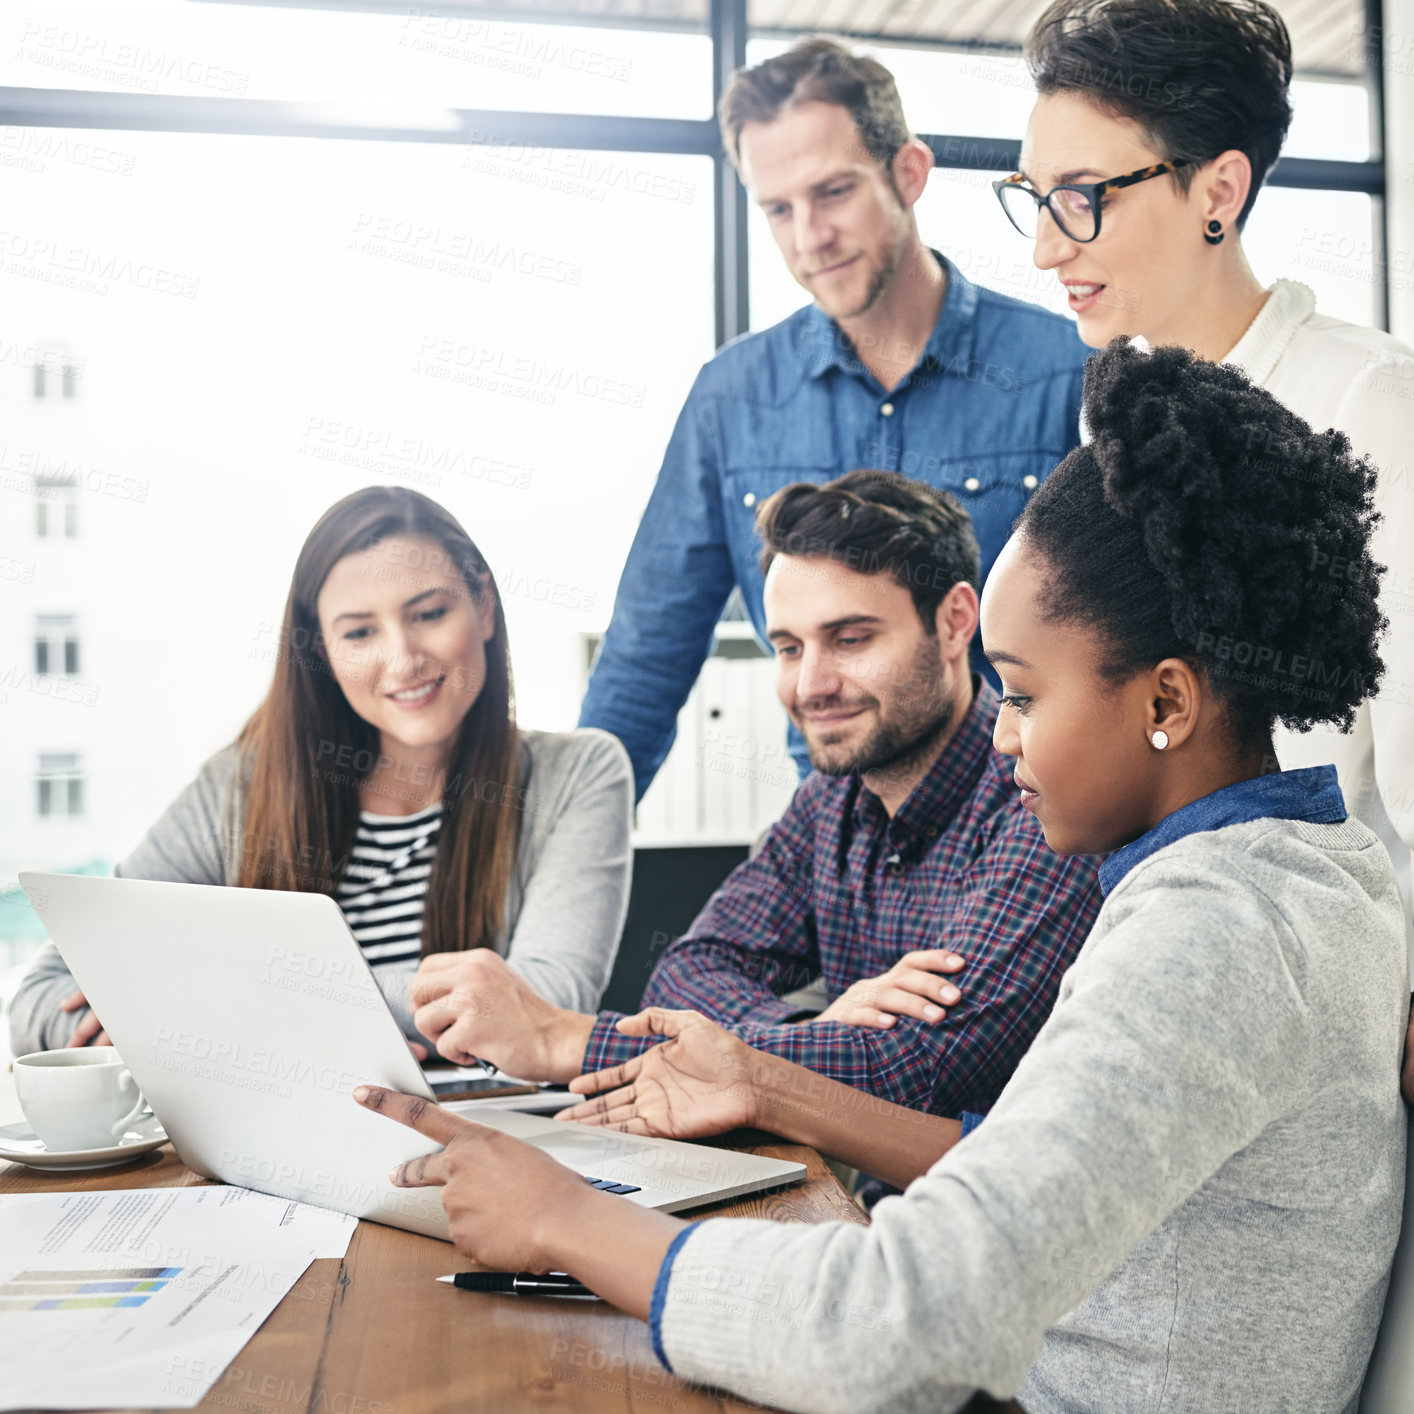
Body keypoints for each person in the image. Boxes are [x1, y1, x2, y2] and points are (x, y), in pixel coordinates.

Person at [356, 340, 1406, 1413]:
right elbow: (1014, 1162)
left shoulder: (1210, 935)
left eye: (1028, 697)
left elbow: (898, 1324)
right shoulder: (1295, 879)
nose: (1004, 738)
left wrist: (562, 1220)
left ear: (1167, 704)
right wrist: (765, 1080)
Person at [399, 472, 1101, 1127]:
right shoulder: (831, 801)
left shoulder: (1038, 796)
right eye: (789, 648)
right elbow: (686, 972)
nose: (811, 684)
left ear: (954, 623)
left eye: (850, 639)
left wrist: (566, 1039)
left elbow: (918, 1067)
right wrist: (813, 1034)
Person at [994, 0, 1414, 954]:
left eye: (1083, 195)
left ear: (1217, 191)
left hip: (1334, 974)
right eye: (1035, 195)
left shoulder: (1372, 401)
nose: (1047, 246)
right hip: (1171, 940)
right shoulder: (1115, 414)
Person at [579, 36, 1091, 795]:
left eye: (833, 193)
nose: (808, 238)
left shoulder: (1063, 372)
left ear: (909, 174)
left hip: (1029, 830)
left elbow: (1119, 645)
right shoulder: (731, 399)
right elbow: (645, 663)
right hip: (833, 844)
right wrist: (545, 867)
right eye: (778, 209)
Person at [8, 486, 633, 1058]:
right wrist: (331, 1019)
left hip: (492, 1141)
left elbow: (547, 1003)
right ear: (324, 654)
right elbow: (41, 998)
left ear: (485, 608)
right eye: (360, 632)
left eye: (429, 614)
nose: (403, 658)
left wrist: (213, 1007)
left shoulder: (579, 774)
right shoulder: (237, 790)